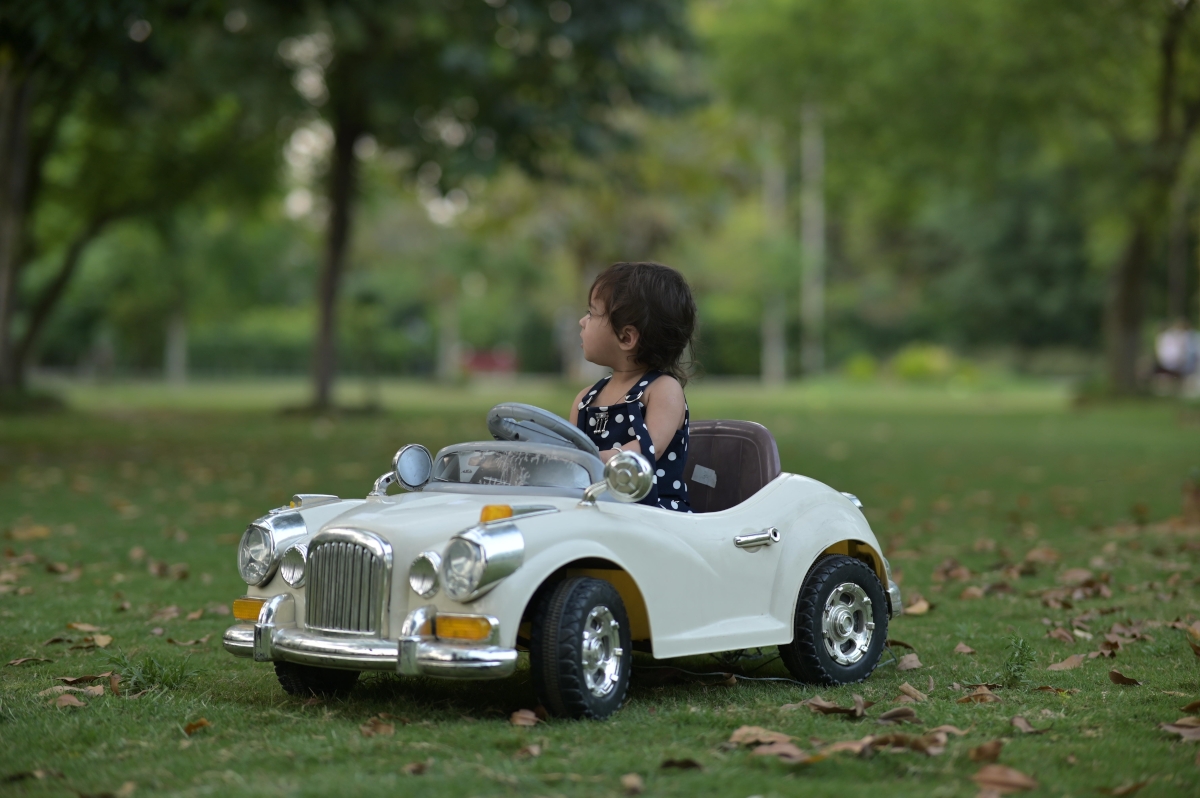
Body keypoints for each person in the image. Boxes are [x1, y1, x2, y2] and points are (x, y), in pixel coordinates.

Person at [569, 262, 697, 512]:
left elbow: (648, 450)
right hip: (598, 509)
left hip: (653, 514)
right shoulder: (585, 399)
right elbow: (569, 457)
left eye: (592, 313)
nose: (582, 321)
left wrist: (589, 461)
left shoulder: (662, 389)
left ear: (626, 337)